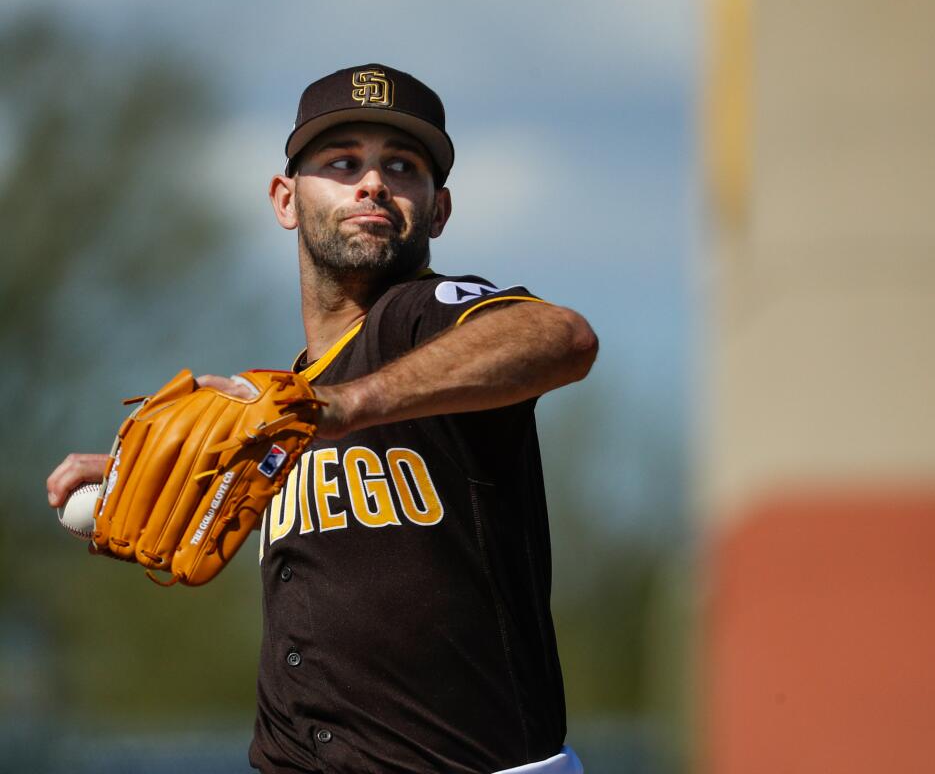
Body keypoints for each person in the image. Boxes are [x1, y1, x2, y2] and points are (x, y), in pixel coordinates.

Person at [46, 64, 597, 774]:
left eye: (401, 166)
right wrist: (140, 470)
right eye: (343, 163)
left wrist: (342, 406)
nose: (372, 182)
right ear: (285, 198)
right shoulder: (281, 404)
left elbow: (559, 336)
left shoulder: (425, 320)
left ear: (438, 212)